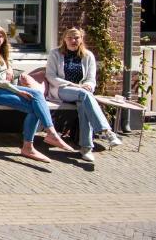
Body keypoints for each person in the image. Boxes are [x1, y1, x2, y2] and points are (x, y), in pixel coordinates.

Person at [0, 25, 75, 162]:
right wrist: (18, 91)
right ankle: (46, 137)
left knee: (36, 97)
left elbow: (8, 74)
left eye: (0, 36)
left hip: (3, 88)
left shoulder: (2, 53)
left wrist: (13, 71)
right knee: (35, 106)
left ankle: (33, 144)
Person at [46, 27, 122, 163]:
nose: (73, 40)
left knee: (83, 106)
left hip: (83, 94)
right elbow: (51, 76)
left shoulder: (88, 56)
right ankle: (106, 131)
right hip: (62, 90)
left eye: (76, 38)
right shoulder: (55, 53)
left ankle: (86, 148)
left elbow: (91, 79)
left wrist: (89, 86)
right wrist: (76, 86)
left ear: (81, 39)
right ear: (64, 39)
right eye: (70, 38)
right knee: (83, 95)